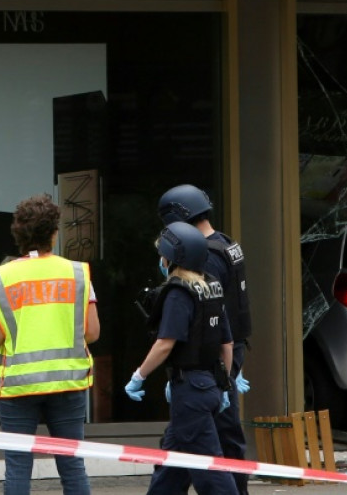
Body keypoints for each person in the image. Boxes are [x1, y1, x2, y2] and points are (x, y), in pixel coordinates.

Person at [0, 194, 100, 495]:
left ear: (18, 234)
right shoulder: (77, 273)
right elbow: (93, 332)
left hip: (18, 385)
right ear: (54, 233)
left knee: (18, 467)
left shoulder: (1, 278)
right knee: (72, 466)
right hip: (67, 382)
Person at [125, 221, 237, 495]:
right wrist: (224, 384)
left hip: (191, 393)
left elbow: (165, 344)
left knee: (211, 473)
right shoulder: (211, 286)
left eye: (162, 255)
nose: (161, 261)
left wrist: (139, 375)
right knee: (171, 470)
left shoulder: (178, 292)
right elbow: (227, 343)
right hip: (206, 386)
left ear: (172, 259)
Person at [157, 184, 252, 495]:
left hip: (211, 359)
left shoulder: (205, 255)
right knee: (197, 434)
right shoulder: (227, 244)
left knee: (213, 432)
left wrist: (193, 367)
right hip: (231, 348)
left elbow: (208, 313)